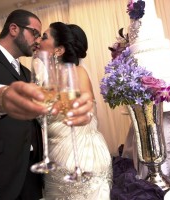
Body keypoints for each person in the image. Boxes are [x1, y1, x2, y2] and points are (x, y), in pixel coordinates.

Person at [0, 10, 93, 199]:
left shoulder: (28, 73)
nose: (38, 41)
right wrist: (1, 96)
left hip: (29, 178)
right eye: (35, 33)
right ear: (14, 29)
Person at [38, 22, 112, 199]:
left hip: (81, 158)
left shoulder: (78, 72)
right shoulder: (45, 80)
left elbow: (81, 111)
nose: (39, 40)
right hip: (56, 159)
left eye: (44, 36)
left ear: (59, 50)